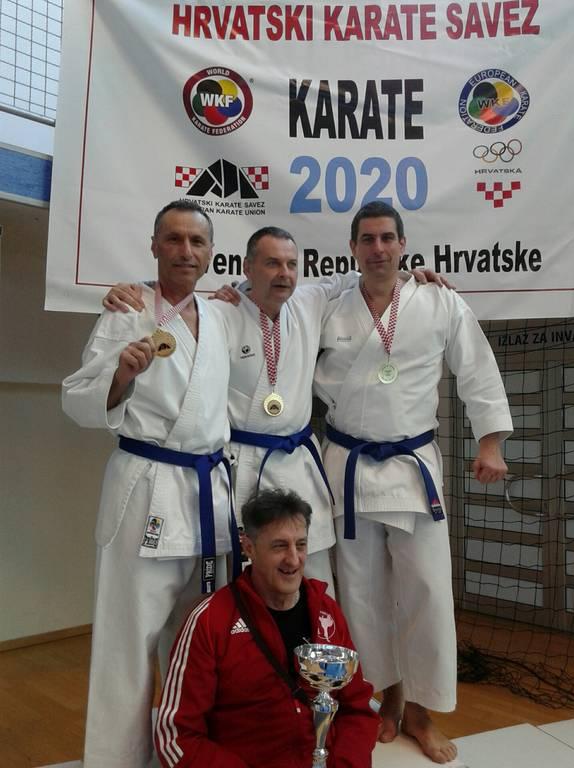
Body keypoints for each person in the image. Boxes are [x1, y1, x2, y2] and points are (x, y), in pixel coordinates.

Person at [103, 227, 446, 595]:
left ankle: (314, 633)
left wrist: (408, 277)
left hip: (297, 463)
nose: (283, 274)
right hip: (243, 466)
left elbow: (361, 277)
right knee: (251, 578)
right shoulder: (221, 312)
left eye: (291, 265)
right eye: (271, 264)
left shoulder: (310, 301)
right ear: (247, 268)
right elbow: (175, 305)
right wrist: (138, 289)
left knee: (312, 573)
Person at [313, 201, 513, 763]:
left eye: (387, 238)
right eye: (367, 239)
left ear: (403, 245)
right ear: (353, 248)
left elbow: (477, 368)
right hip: (348, 467)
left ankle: (422, 714)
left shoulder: (438, 300)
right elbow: (271, 305)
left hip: (412, 466)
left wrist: (490, 442)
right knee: (363, 595)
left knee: (426, 590)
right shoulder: (329, 305)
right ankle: (388, 700)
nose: (377, 248)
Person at [62, 199, 238, 768]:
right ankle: (117, 760)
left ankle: (193, 754)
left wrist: (414, 275)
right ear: (154, 245)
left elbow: (293, 293)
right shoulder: (127, 310)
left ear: (210, 252)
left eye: (197, 241)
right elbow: (77, 397)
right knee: (129, 636)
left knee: (204, 637)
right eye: (174, 239)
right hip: (146, 487)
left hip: (207, 492)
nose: (186, 251)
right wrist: (121, 374)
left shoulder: (224, 313)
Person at [155, 488, 379, 768]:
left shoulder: (327, 612)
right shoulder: (209, 621)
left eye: (300, 545)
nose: (293, 559)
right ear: (249, 548)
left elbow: (357, 709)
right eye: (279, 546)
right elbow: (175, 736)